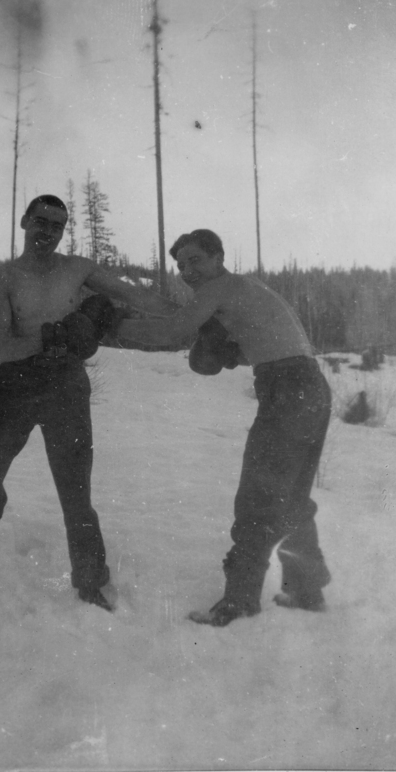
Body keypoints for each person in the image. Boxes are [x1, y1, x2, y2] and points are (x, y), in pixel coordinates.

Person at [0, 194, 178, 611]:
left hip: (65, 384)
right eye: (41, 222)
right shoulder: (4, 277)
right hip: (15, 385)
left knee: (76, 492)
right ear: (24, 222)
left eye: (57, 226)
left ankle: (90, 581)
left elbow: (137, 297)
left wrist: (193, 314)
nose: (48, 232)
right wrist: (55, 334)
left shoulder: (77, 269)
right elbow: (3, 348)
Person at [117, 229, 332, 626]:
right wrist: (234, 351)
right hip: (311, 388)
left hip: (287, 391)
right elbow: (269, 342)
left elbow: (170, 331)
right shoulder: (245, 288)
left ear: (218, 257)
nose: (187, 271)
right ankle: (307, 590)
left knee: (256, 499)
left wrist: (111, 326)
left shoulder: (220, 288)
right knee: (291, 497)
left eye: (195, 260)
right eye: (181, 265)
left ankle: (240, 601)